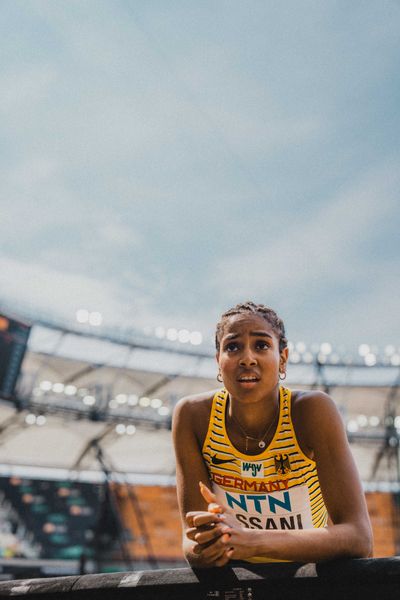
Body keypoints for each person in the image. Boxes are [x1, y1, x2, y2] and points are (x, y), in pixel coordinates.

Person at [172, 301, 372, 567]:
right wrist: (210, 542)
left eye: (262, 345)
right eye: (232, 347)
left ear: (283, 359)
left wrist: (252, 540)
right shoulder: (192, 416)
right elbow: (191, 542)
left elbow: (359, 538)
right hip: (241, 582)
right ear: (218, 362)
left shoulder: (312, 411)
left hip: (308, 578)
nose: (247, 358)